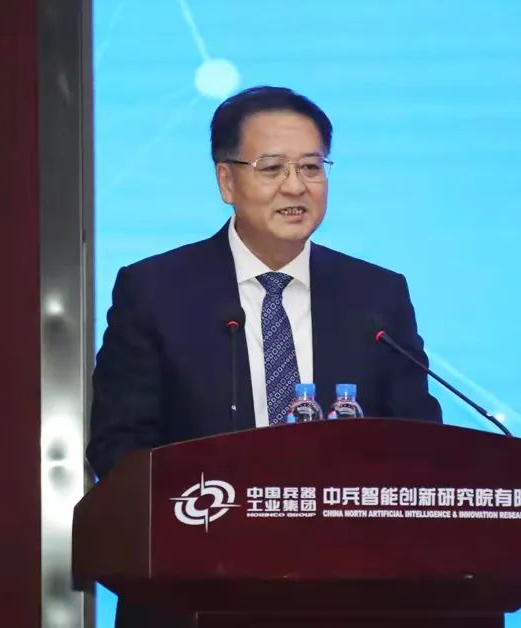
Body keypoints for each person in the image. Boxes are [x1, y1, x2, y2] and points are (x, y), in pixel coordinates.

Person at [88, 86, 443, 626]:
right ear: (226, 181)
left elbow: (420, 443)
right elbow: (118, 448)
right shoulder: (155, 291)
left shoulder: (377, 295)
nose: (295, 186)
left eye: (311, 167)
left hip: (350, 596)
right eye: (272, 167)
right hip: (194, 594)